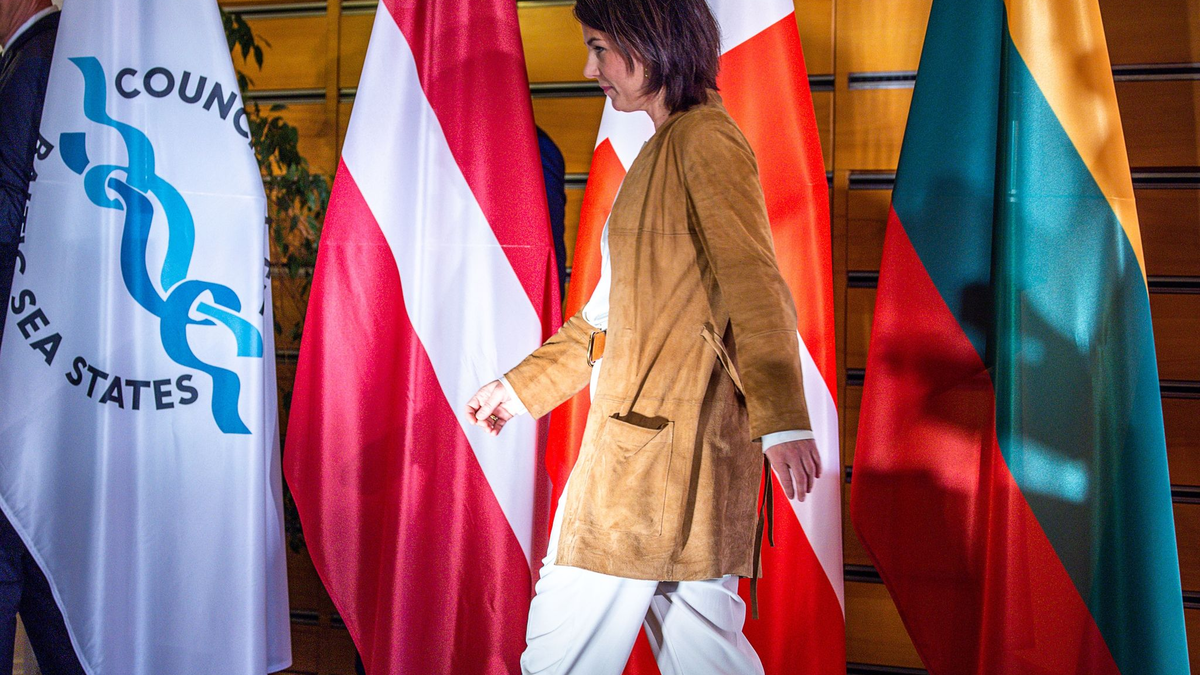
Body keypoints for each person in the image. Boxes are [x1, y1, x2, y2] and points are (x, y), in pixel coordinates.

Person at [465, 1, 823, 673]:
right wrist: (518, 389)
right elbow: (606, 321)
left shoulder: (701, 141)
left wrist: (782, 420)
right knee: (707, 657)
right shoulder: (672, 148)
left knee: (556, 659)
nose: (588, 67)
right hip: (680, 464)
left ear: (649, 44)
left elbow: (754, 282)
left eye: (600, 48)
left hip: (643, 470)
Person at [0, 2, 84, 674]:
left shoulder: (33, 65)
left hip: (18, 358)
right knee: (32, 559)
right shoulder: (67, 54)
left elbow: (8, 225)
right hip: (53, 363)